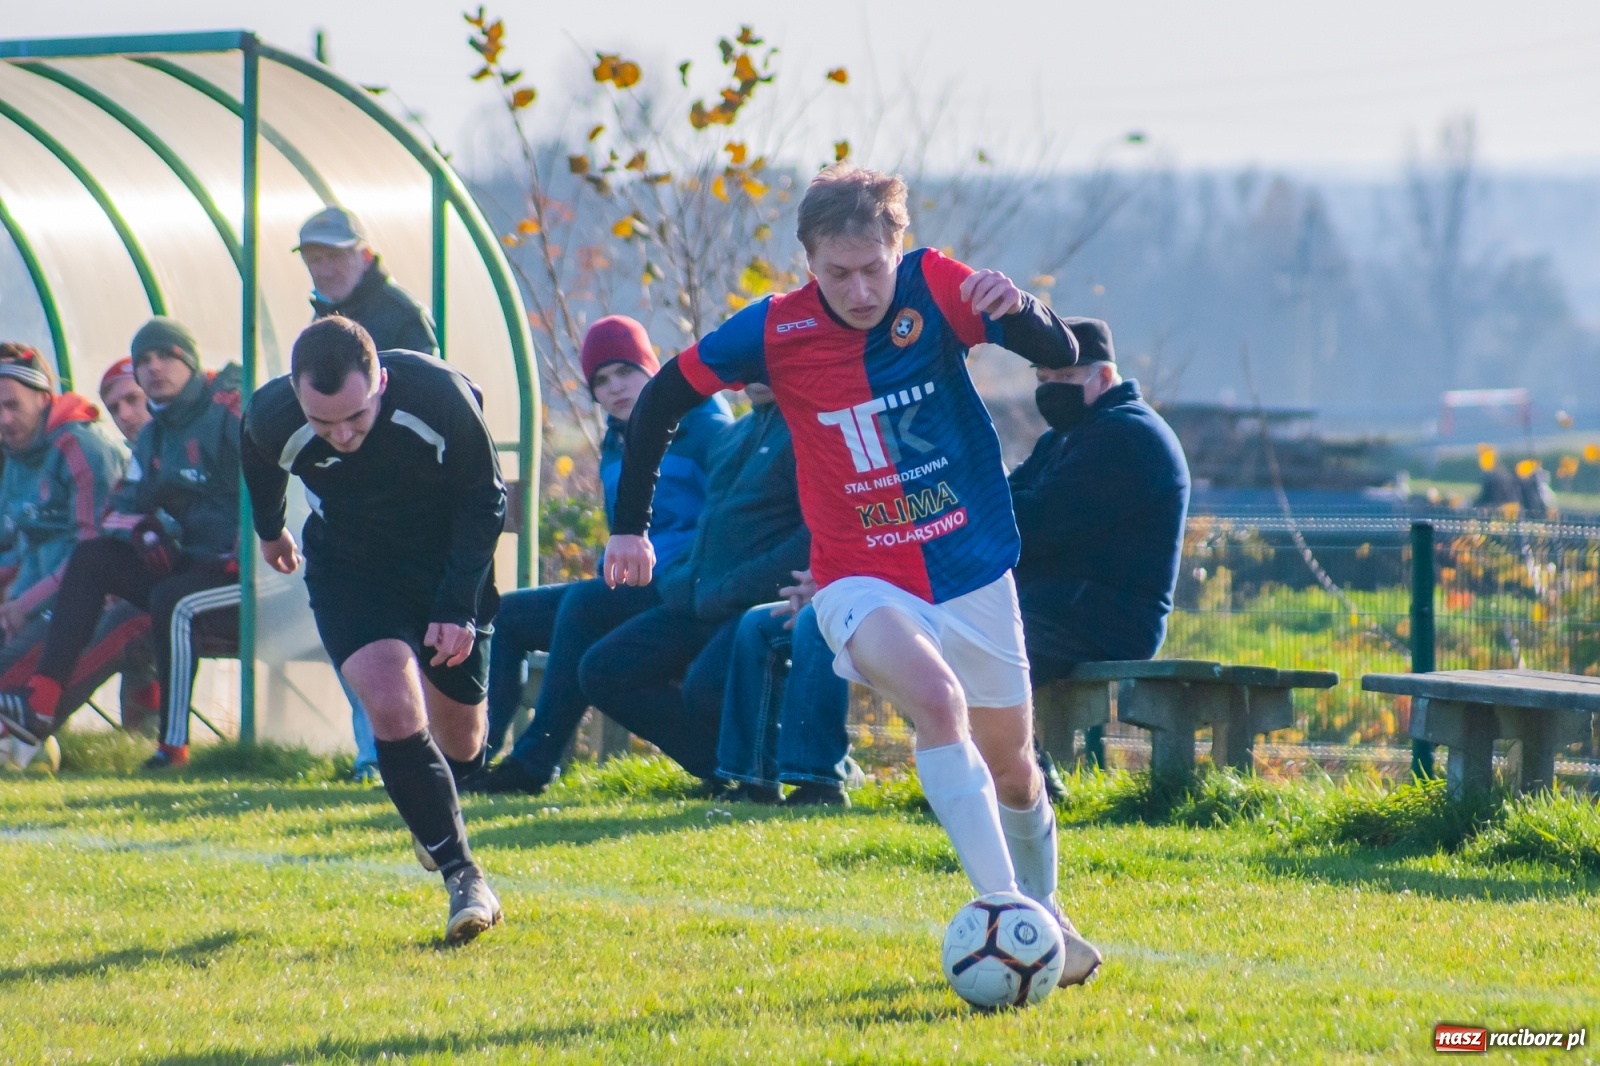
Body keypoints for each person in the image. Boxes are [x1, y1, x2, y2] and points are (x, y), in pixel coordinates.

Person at [603, 163, 1102, 986]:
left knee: (1014, 763)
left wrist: (1022, 309)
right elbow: (660, 400)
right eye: (837, 273)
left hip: (972, 570)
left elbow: (1061, 350)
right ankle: (1008, 914)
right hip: (856, 578)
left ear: (896, 248)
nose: (860, 289)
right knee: (938, 703)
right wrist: (630, 529)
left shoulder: (937, 287)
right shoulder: (771, 330)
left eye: (873, 268)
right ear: (808, 262)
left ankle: (1045, 913)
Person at [240, 315, 504, 945]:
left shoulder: (438, 394)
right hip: (351, 569)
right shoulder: (274, 413)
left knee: (462, 743)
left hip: (445, 565)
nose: (340, 435)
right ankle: (463, 878)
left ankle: (430, 805)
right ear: (298, 393)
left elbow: (485, 499)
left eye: (355, 417)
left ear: (380, 380)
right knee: (389, 703)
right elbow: (256, 452)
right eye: (323, 422)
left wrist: (457, 604)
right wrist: (271, 526)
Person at [465, 316, 731, 796]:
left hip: (685, 587)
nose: (615, 388)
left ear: (652, 369)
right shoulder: (617, 438)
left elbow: (727, 522)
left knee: (584, 605)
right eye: (601, 381)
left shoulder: (706, 429)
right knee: (508, 613)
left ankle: (534, 762)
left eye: (625, 372)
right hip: (635, 583)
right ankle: (472, 758)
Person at [0, 320, 242, 771]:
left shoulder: (228, 409)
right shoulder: (155, 434)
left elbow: (268, 492)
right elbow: (116, 513)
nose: (153, 369)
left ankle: (170, 748)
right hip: (189, 567)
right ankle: (41, 704)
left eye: (164, 357)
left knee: (163, 604)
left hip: (249, 572)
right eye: (143, 361)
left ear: (189, 360)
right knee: (95, 561)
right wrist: (142, 528)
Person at [576, 382, 808, 790]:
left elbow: (810, 538)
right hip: (701, 597)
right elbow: (708, 524)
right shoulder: (731, 435)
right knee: (603, 669)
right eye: (745, 357)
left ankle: (761, 774)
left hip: (759, 602)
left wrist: (737, 585)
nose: (754, 368)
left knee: (705, 686)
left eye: (763, 356)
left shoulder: (810, 431)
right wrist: (684, 578)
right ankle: (721, 768)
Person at [1009, 318, 1191, 768]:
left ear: (1104, 376)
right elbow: (1007, 508)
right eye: (1044, 378)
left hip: (1104, 616)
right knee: (951, 643)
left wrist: (998, 508)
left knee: (979, 655)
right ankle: (1009, 771)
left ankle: (1023, 776)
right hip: (1059, 604)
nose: (1051, 388)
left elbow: (1034, 523)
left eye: (1065, 378)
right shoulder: (1065, 438)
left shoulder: (1127, 436)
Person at [297, 204, 435, 780]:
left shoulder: (400, 317)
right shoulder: (324, 318)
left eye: (333, 254)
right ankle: (377, 755)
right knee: (357, 627)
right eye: (313, 257)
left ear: (365, 254)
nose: (323, 266)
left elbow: (431, 400)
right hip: (345, 503)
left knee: (388, 630)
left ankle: (404, 755)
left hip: (397, 507)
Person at [0, 345, 136, 765]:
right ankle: (25, 748)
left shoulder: (83, 448)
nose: (3, 419)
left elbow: (90, 557)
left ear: (43, 398)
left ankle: (23, 746)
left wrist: (23, 604)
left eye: (11, 405)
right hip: (28, 605)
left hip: (78, 609)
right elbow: (18, 545)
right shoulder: (14, 457)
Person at [714, 569, 853, 806]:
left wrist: (834, 592)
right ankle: (756, 781)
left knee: (813, 620)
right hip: (846, 593)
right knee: (757, 623)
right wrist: (818, 586)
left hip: (897, 604)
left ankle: (821, 784)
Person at [94, 357, 162, 736]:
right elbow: (113, 523)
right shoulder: (133, 461)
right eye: (115, 409)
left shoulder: (197, 442)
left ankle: (151, 738)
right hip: (148, 584)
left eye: (134, 400)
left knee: (132, 621)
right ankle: (140, 739)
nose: (126, 415)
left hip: (210, 581)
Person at [297, 206, 438, 355]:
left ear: (366, 257)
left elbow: (426, 377)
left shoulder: (405, 318)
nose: (326, 271)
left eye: (335, 256)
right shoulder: (323, 315)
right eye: (314, 260)